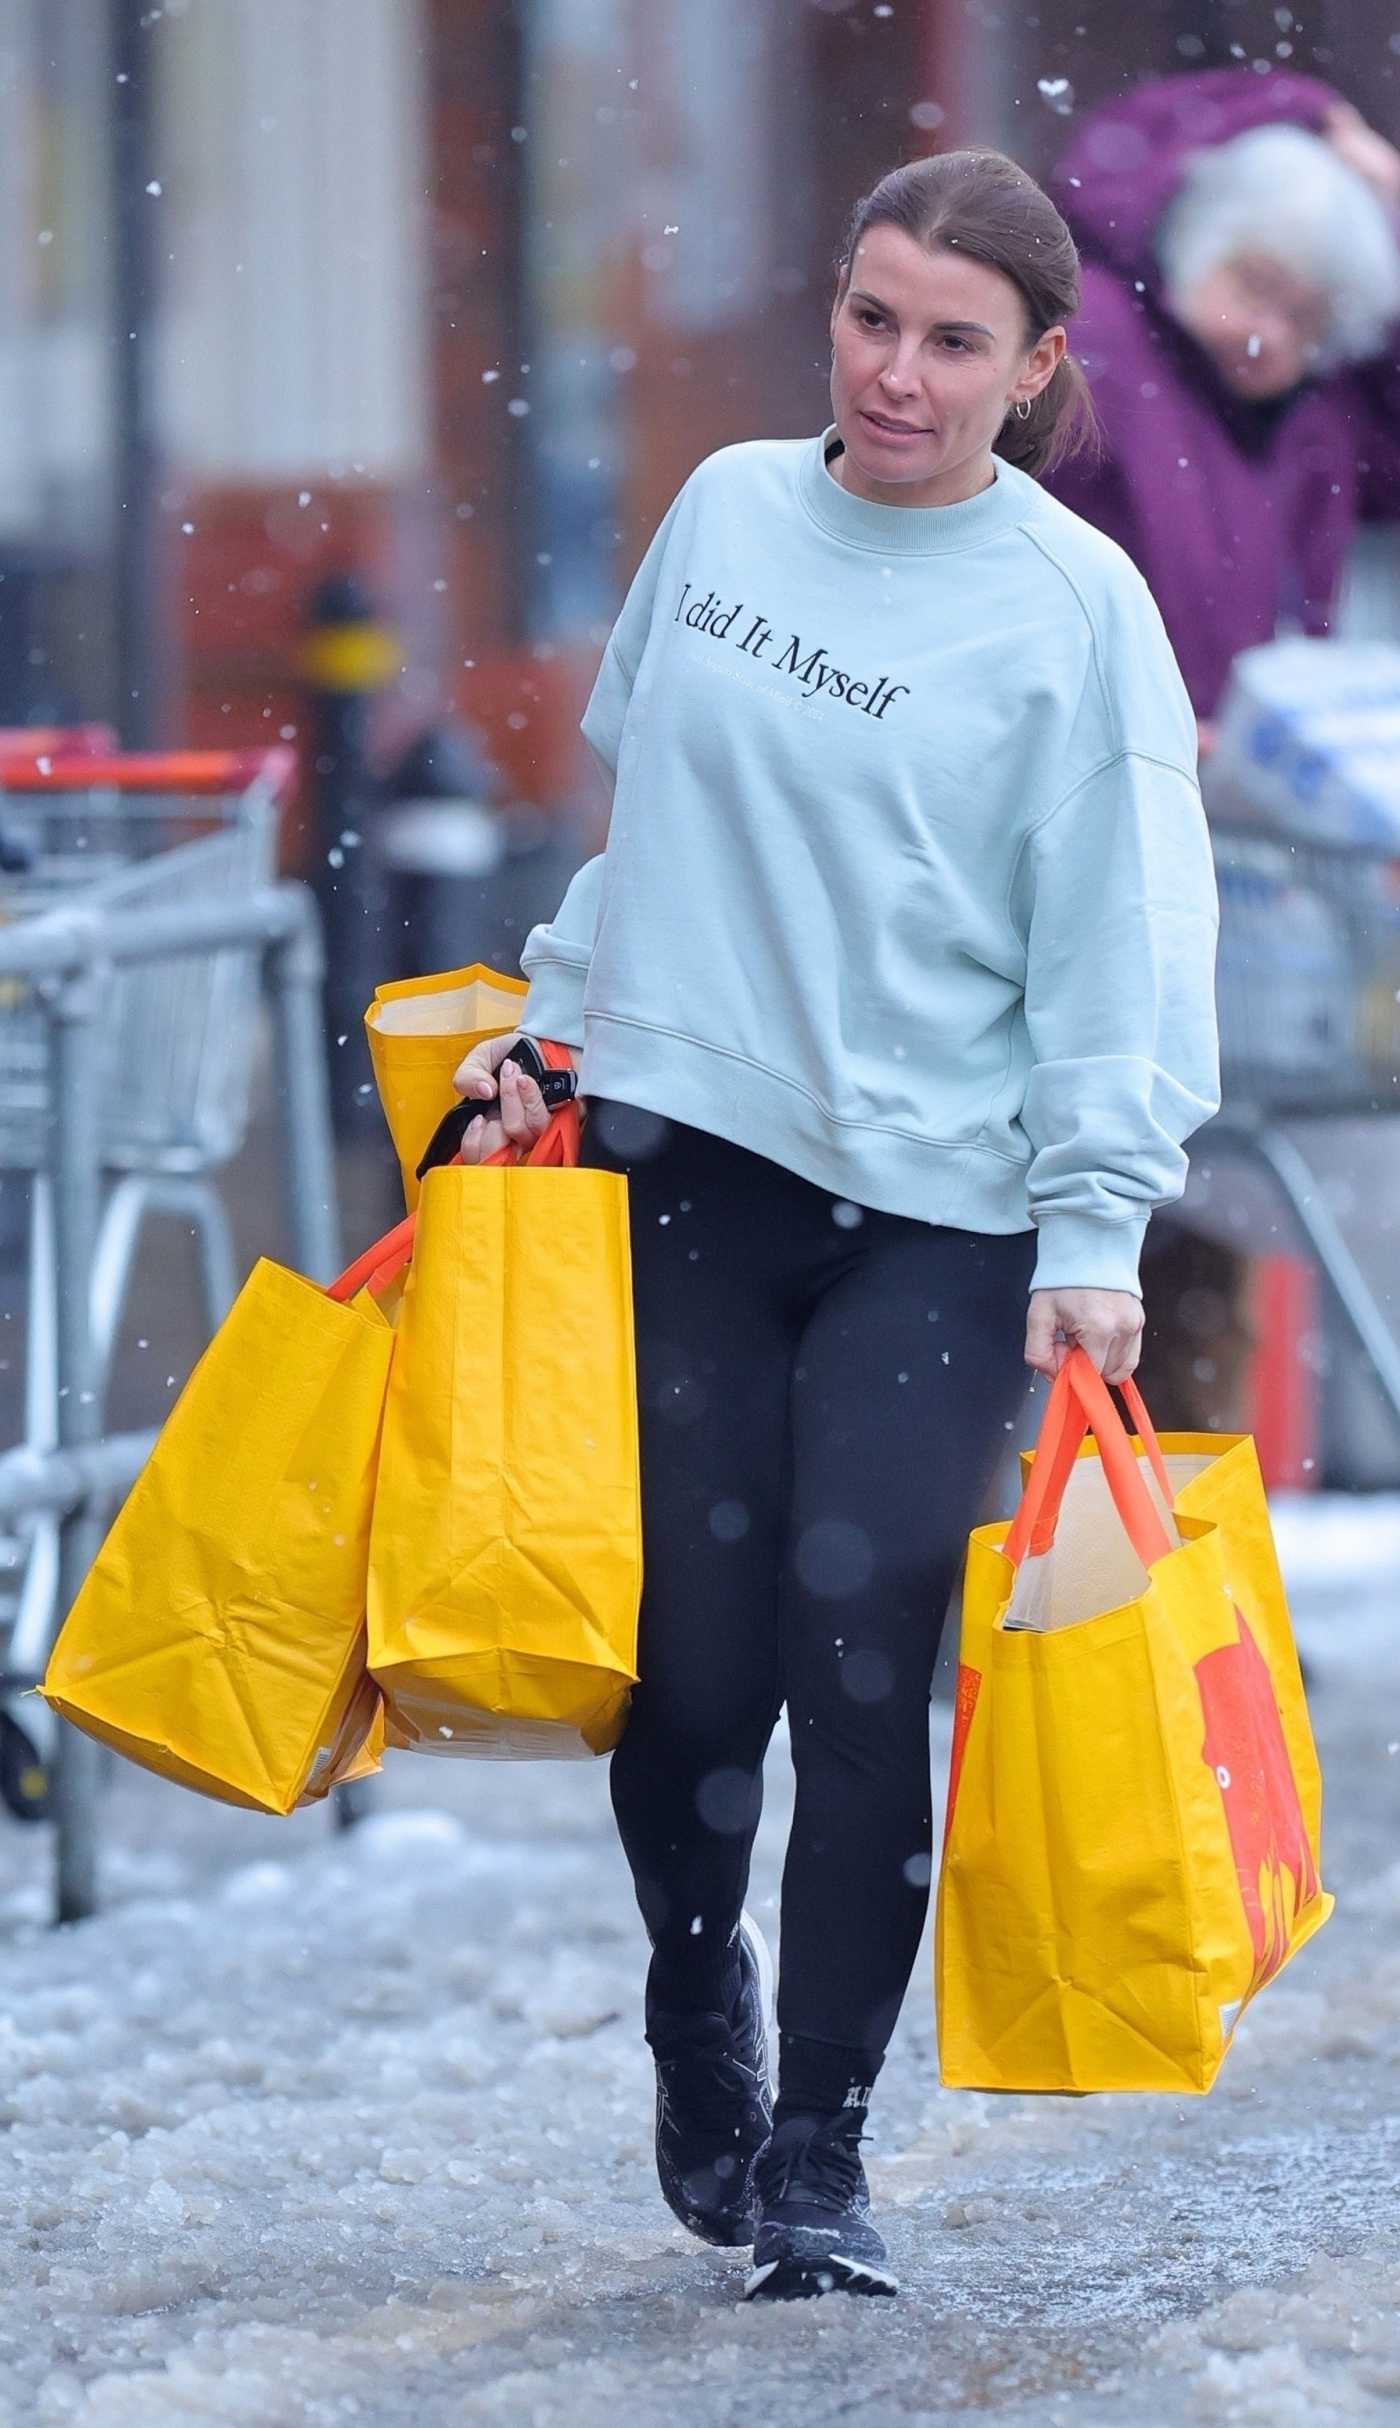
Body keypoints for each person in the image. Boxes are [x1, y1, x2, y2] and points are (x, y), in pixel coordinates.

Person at [453, 150, 1220, 2304]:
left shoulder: (1071, 609)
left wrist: (1098, 1219)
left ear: (1037, 365)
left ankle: (819, 2147)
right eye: (873, 316)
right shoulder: (717, 515)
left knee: (855, 1634)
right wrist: (550, 1028)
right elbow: (644, 836)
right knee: (691, 1680)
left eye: (953, 338)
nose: (897, 371)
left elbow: (1123, 946)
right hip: (690, 1164)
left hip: (941, 1209)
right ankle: (696, 1995)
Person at [1042, 70, 1400, 1432]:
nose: (1269, 333)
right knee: (1117, 1191)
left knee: (1200, 1213)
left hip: (1217, 865)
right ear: (1199, 241)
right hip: (1099, 837)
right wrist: (1315, 112)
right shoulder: (1102, 360)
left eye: (1311, 319)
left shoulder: (1307, 418)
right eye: (1257, 284)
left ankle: (1174, 1570)